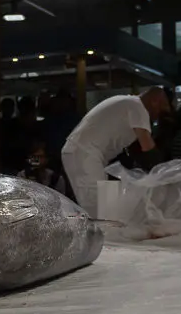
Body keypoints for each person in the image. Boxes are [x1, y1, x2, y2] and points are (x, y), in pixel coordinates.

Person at [61, 88, 171, 217]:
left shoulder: (128, 103)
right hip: (84, 154)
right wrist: (165, 175)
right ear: (154, 101)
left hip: (87, 154)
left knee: (107, 207)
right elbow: (147, 148)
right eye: (162, 109)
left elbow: (136, 150)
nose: (159, 115)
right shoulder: (138, 107)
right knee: (100, 209)